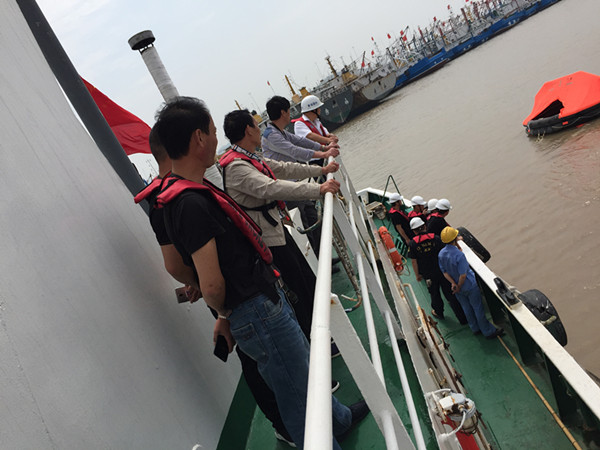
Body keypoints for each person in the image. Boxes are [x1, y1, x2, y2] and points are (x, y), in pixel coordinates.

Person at [152, 97, 368, 449]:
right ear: (199, 138)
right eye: (211, 131)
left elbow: (182, 266)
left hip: (262, 297)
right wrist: (225, 313)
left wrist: (225, 314)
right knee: (294, 391)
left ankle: (338, 420)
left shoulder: (187, 193)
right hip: (255, 308)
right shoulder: (190, 203)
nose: (216, 139)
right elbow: (211, 283)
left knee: (302, 369)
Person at [135, 126, 294, 445]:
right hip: (231, 294)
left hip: (242, 285)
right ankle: (284, 423)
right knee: (257, 361)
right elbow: (174, 264)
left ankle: (302, 417)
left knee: (268, 359)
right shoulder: (167, 200)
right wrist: (204, 284)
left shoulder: (186, 187)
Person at [220, 109, 340, 343]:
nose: (259, 129)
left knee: (306, 278)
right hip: (266, 239)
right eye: (256, 125)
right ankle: (317, 340)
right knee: (298, 286)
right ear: (248, 130)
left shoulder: (249, 157)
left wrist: (321, 170)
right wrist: (317, 188)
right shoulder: (236, 167)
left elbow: (283, 168)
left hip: (275, 229)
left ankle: (325, 330)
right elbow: (271, 188)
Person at [262, 95, 339, 257]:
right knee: (304, 222)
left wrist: (323, 147)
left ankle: (323, 256)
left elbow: (299, 141)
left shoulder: (279, 132)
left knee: (312, 217)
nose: (290, 114)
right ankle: (317, 261)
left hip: (294, 183)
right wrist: (324, 154)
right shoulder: (271, 135)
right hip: (285, 188)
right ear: (283, 112)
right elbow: (294, 150)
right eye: (288, 110)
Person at [438, 227, 504, 339]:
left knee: (466, 307)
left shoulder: (441, 254)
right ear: (454, 239)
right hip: (468, 285)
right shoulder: (459, 255)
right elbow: (463, 275)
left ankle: (475, 328)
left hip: (456, 288)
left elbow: (444, 272)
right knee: (477, 308)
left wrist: (454, 284)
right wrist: (459, 285)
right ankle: (487, 331)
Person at [408, 218, 467, 324]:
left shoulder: (412, 244)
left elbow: (414, 261)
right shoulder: (435, 238)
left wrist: (417, 275)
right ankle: (462, 318)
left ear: (414, 231)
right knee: (450, 294)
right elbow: (446, 251)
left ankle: (439, 312)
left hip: (428, 275)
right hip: (443, 272)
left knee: (434, 294)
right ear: (425, 226)